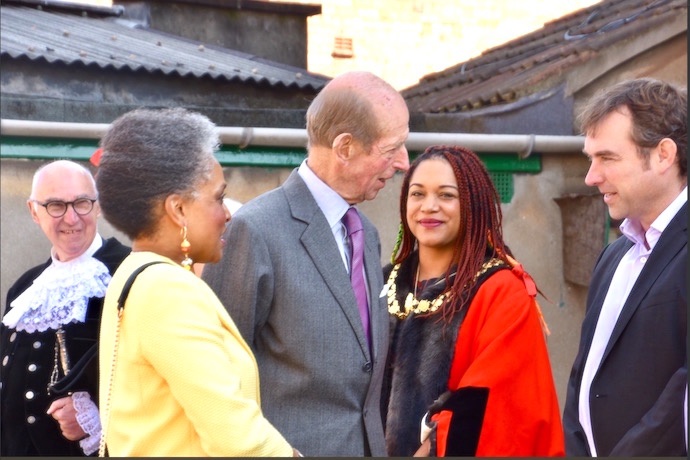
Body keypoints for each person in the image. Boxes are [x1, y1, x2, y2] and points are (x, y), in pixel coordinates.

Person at [202, 70, 410, 456]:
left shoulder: (366, 231)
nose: (403, 162)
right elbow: (217, 379)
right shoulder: (255, 230)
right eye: (391, 148)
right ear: (345, 148)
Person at [95, 107, 300, 456]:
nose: (228, 213)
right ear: (177, 210)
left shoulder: (135, 272)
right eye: (219, 198)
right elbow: (238, 437)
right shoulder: (167, 289)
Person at [381, 145, 566, 457]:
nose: (429, 206)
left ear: (472, 205)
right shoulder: (382, 282)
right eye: (417, 194)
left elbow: (497, 406)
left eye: (446, 195)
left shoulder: (500, 290)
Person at [563, 78, 687, 456]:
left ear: (664, 155)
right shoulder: (614, 257)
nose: (591, 177)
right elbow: (581, 379)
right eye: (590, 158)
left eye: (608, 158)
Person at [0, 160, 130, 456]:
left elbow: (155, 380)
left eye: (82, 203)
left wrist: (97, 419)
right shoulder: (25, 286)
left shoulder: (128, 273)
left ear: (98, 206)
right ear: (34, 211)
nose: (71, 219)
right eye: (56, 205)